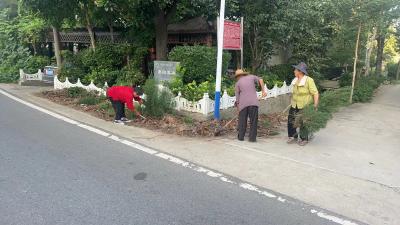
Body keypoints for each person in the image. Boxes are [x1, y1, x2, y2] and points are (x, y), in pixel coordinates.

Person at [287, 62, 319, 146]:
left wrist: (315, 105)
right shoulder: (295, 80)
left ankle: (304, 139)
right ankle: (292, 136)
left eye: (295, 70)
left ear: (300, 71)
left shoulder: (309, 80)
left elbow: (315, 93)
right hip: (294, 104)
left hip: (305, 104)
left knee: (302, 122)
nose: (294, 71)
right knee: (291, 120)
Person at [235, 69, 267, 142]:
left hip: (243, 104)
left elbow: (237, 98)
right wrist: (263, 91)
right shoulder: (251, 77)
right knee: (253, 121)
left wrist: (238, 108)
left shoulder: (237, 83)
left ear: (238, 76)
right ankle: (252, 138)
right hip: (253, 102)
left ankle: (241, 137)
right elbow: (261, 80)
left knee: (242, 120)